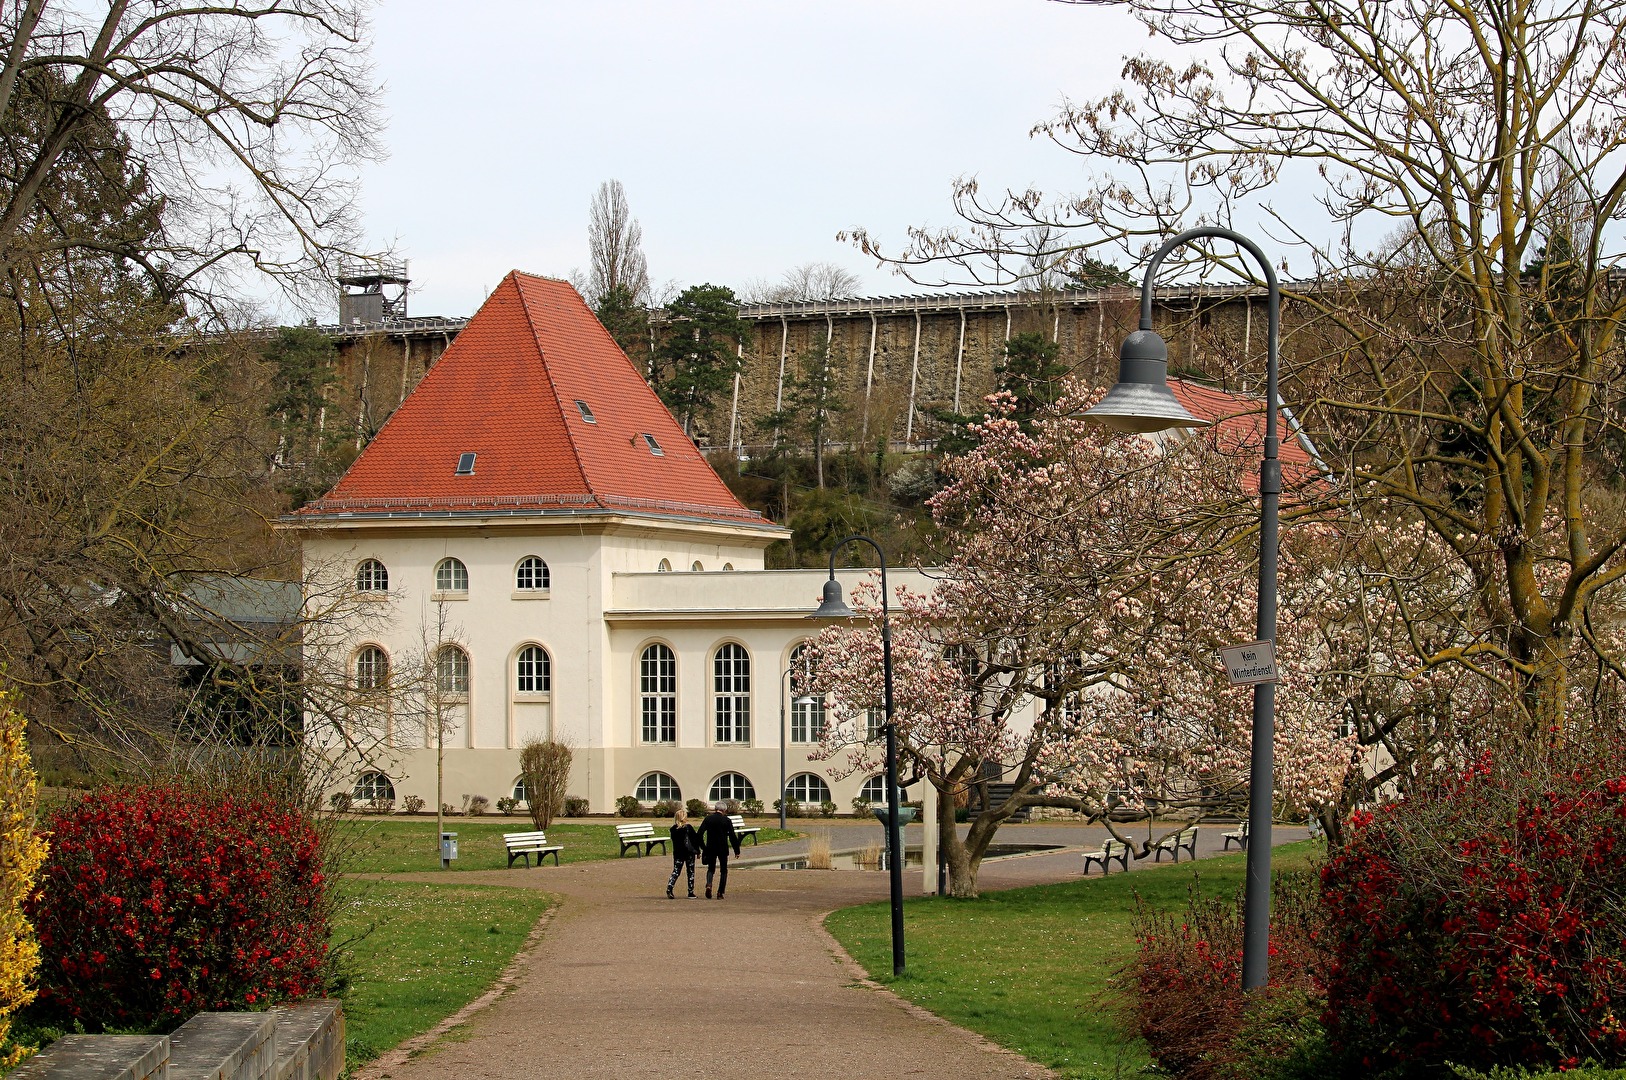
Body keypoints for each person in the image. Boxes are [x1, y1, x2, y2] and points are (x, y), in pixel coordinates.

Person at [697, 801, 741, 899]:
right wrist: (736, 850)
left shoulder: (708, 819)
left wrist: (703, 847)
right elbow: (732, 836)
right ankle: (720, 892)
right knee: (723, 870)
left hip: (710, 847)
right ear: (724, 810)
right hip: (722, 848)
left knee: (711, 868)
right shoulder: (726, 820)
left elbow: (699, 834)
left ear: (715, 809)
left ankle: (709, 884)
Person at [667, 808, 699, 899]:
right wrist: (698, 851)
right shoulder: (688, 828)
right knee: (690, 872)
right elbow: (694, 840)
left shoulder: (673, 829)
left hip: (678, 853)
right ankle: (690, 891)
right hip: (689, 853)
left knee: (676, 871)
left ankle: (670, 886)